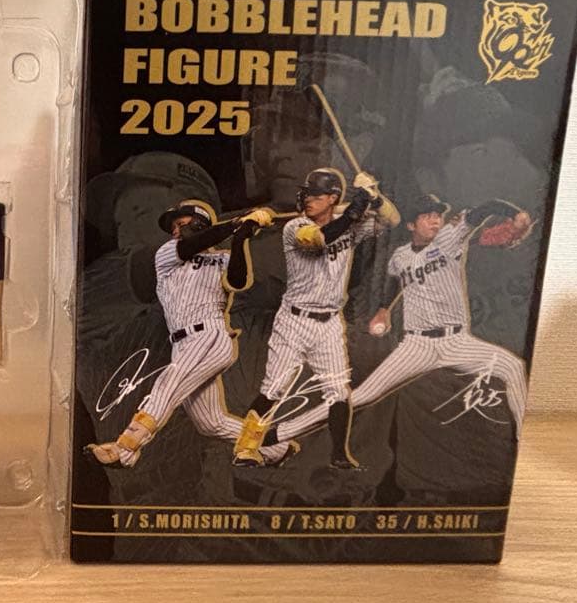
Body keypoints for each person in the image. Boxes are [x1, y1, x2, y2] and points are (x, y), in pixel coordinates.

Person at [260, 194, 530, 447]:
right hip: (418, 345)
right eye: (427, 215)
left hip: (457, 341)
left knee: (514, 367)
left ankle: (524, 443)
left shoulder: (448, 239)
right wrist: (383, 309)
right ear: (412, 225)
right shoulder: (401, 256)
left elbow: (481, 211)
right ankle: (280, 433)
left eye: (438, 215)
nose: (435, 220)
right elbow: (392, 278)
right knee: (363, 395)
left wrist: (513, 213)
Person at [83, 198, 289, 469]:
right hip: (182, 343)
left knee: (168, 384)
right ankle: (275, 448)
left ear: (200, 224)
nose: (175, 231)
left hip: (208, 335)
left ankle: (125, 449)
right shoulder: (168, 253)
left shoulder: (220, 258)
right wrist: (236, 224)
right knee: (210, 423)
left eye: (181, 224)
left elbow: (238, 281)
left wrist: (241, 236)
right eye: (174, 227)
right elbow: (194, 244)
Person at [233, 167, 399, 469]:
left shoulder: (349, 223)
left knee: (338, 391)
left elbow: (393, 220)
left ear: (333, 198)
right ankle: (246, 448)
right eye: (307, 194)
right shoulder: (295, 226)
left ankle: (339, 455)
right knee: (274, 388)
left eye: (316, 195)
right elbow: (321, 239)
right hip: (294, 321)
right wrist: (357, 204)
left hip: (329, 323)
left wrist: (374, 197)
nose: (308, 199)